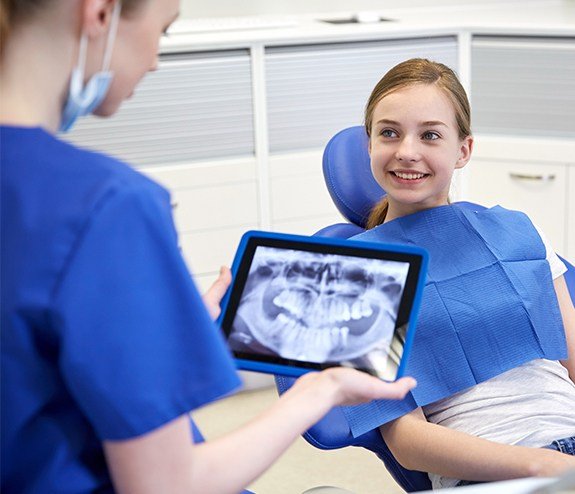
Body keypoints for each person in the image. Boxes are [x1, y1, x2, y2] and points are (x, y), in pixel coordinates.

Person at [0, 1, 417, 493]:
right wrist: (319, 390)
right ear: (100, 14)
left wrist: (156, 340)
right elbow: (165, 486)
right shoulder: (106, 205)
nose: (154, 59)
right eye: (163, 29)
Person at [352, 58, 575, 488]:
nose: (406, 151)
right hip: (494, 475)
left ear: (463, 150)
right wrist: (545, 467)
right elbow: (406, 439)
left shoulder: (516, 233)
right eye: (389, 133)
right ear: (370, 144)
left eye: (430, 134)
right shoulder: (356, 275)